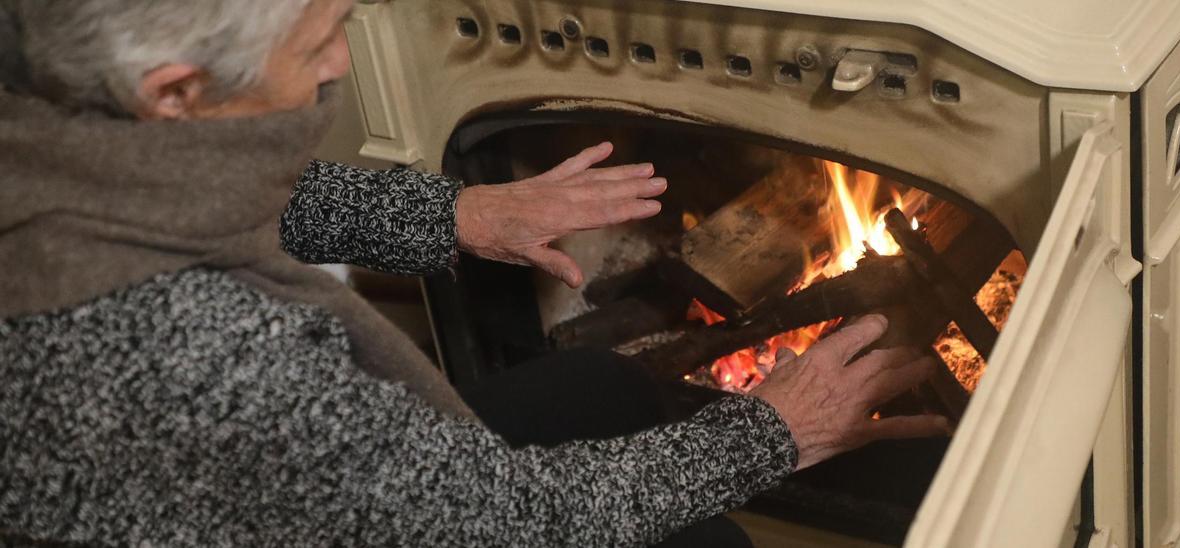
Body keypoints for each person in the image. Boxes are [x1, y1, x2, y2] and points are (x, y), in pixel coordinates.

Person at [0, 1, 949, 546]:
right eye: (319, 38)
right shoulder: (203, 348)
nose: (342, 57)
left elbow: (212, 193)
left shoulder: (46, 123)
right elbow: (500, 521)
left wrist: (459, 213)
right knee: (694, 535)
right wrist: (776, 432)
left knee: (601, 380)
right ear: (175, 91)